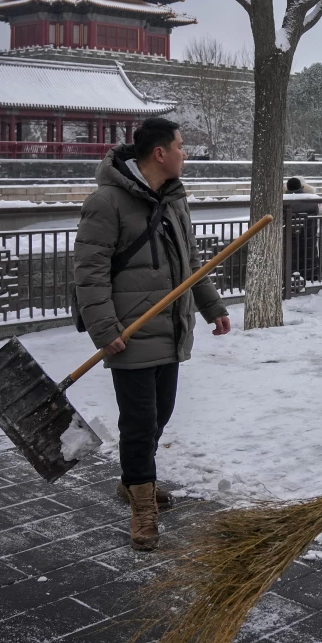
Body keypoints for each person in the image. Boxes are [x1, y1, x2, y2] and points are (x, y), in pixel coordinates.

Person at [74, 117, 232, 551]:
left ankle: (133, 481)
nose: (186, 153)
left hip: (170, 327)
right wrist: (105, 329)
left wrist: (211, 306)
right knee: (141, 424)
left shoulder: (176, 200)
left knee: (159, 414)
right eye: (181, 146)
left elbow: (191, 263)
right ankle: (142, 509)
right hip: (129, 332)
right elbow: (89, 274)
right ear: (159, 153)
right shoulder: (106, 202)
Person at [286, 177, 322, 282]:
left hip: (289, 237)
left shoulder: (283, 201)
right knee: (309, 259)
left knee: (291, 259)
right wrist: (314, 226)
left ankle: (292, 281)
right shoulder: (312, 201)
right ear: (302, 187)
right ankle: (311, 279)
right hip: (309, 237)